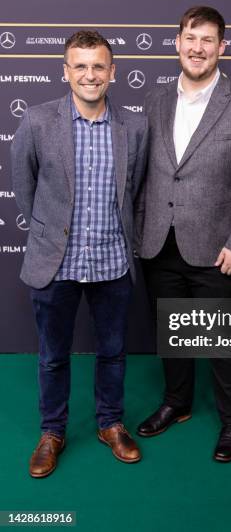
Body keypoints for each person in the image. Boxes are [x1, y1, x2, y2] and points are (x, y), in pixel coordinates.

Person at [136, 6, 231, 462]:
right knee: (171, 333)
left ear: (221, 47)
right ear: (177, 42)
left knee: (221, 344)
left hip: (218, 250)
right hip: (159, 242)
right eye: (190, 38)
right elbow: (146, 174)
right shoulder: (153, 101)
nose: (198, 48)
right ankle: (177, 402)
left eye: (207, 40)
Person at [11, 30, 148, 477]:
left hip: (112, 261)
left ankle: (111, 423)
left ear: (113, 71)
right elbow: (25, 189)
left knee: (112, 351)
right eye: (81, 66)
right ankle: (52, 431)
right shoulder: (36, 121)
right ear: (66, 71)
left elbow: (136, 189)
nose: (90, 75)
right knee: (53, 355)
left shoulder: (134, 126)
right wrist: (51, 234)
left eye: (99, 66)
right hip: (57, 263)